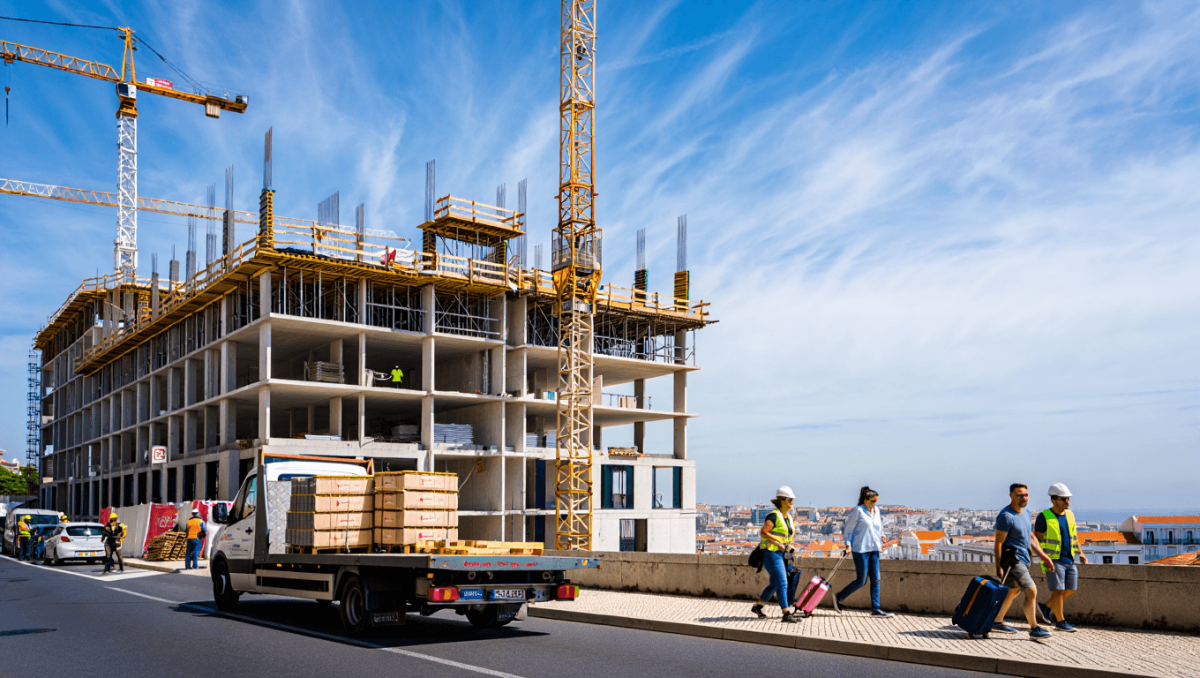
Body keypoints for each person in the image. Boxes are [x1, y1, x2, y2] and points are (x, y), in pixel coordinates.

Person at [992, 483, 1055, 639]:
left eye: (1026, 495)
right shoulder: (1006, 516)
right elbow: (998, 543)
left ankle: (996, 621)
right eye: (1020, 495)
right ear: (1011, 496)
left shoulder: (1027, 513)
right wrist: (998, 566)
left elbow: (1031, 537)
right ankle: (1034, 628)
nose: (1024, 498)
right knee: (1031, 590)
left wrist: (1044, 556)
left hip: (1025, 559)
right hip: (1014, 560)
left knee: (1013, 591)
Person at [1034, 483, 1085, 633]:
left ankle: (1046, 606)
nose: (1067, 502)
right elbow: (1036, 539)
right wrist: (1044, 558)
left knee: (1070, 589)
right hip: (1054, 560)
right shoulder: (1044, 516)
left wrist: (1081, 553)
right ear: (1054, 500)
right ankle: (1061, 621)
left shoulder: (1070, 515)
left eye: (1068, 499)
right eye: (1064, 499)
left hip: (1070, 559)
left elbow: (1074, 537)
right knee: (1058, 590)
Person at [833, 486, 892, 617]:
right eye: (872, 501)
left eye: (876, 501)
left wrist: (882, 535)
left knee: (876, 579)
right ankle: (839, 597)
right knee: (861, 580)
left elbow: (878, 527)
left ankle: (876, 609)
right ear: (865, 500)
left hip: (874, 548)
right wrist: (847, 544)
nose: (874, 504)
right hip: (861, 549)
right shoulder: (858, 511)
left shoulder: (876, 510)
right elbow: (847, 529)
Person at [750, 486, 802, 623]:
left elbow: (786, 536)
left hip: (782, 554)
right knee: (782, 581)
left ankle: (758, 606)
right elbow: (763, 533)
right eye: (790, 500)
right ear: (783, 500)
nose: (792, 502)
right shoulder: (773, 516)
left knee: (774, 582)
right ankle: (786, 613)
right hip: (771, 553)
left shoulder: (789, 518)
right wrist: (777, 541)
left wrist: (789, 545)